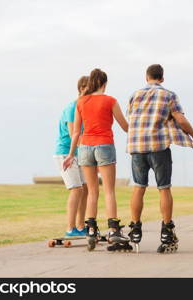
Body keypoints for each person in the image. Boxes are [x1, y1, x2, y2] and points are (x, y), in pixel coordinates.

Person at [126, 64, 193, 253]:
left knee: (138, 187)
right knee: (164, 188)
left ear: (146, 77)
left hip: (137, 147)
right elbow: (181, 120)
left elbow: (131, 119)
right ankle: (166, 231)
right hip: (158, 146)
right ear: (162, 78)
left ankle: (135, 229)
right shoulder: (169, 95)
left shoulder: (135, 95)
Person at [63, 68, 132, 252]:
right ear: (104, 83)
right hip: (104, 146)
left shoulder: (81, 102)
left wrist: (71, 154)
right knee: (109, 191)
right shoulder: (110, 101)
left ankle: (91, 230)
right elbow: (125, 126)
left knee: (92, 192)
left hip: (84, 148)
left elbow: (76, 131)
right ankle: (113, 229)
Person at [53, 76, 89, 238]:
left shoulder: (85, 108)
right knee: (77, 189)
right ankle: (70, 228)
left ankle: (81, 226)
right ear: (82, 88)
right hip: (65, 153)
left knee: (86, 189)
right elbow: (73, 133)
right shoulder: (72, 107)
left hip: (79, 153)